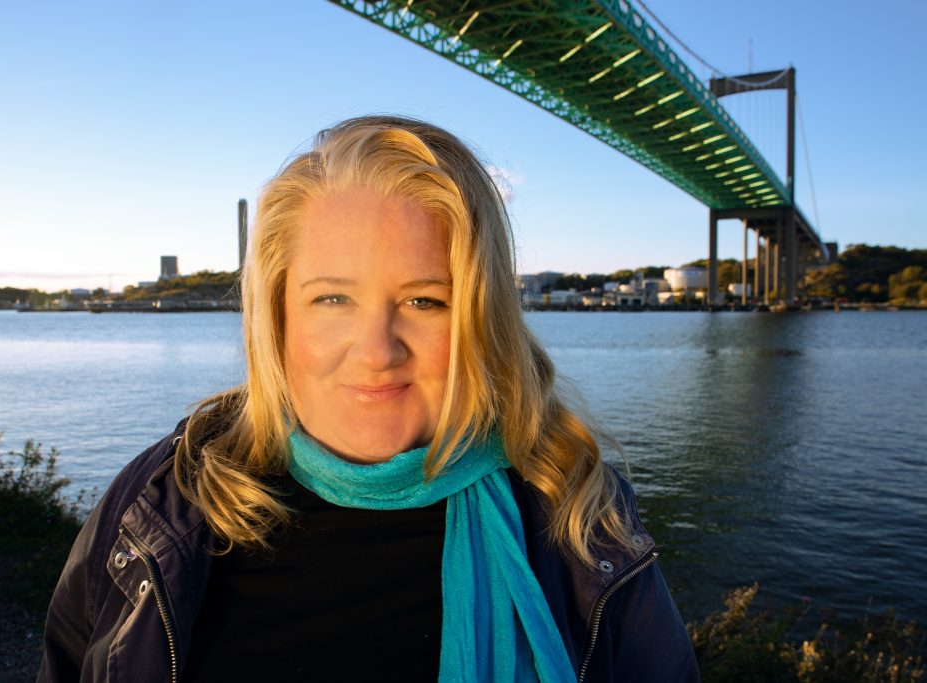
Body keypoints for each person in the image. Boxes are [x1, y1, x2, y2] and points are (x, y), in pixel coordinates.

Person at [38, 115, 698, 682]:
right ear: (277, 317)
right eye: (333, 298)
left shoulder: (577, 517)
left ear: (481, 319)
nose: (378, 350)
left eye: (425, 300)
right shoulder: (162, 501)